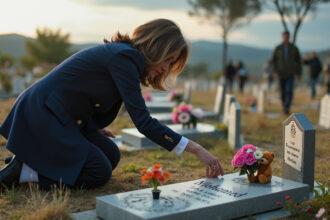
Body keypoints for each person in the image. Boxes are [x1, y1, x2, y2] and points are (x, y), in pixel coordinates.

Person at [0, 19, 224, 190]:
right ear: (157, 46)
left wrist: (93, 126)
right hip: (43, 115)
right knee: (99, 172)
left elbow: (81, 92)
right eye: (168, 59)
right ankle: (25, 170)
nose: (166, 69)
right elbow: (143, 122)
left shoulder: (125, 58)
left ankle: (37, 159)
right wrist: (196, 148)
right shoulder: (125, 58)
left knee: (111, 154)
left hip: (62, 117)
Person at [271, 31, 302, 115]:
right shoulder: (278, 48)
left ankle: (287, 107)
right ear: (282, 37)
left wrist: (299, 73)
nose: (286, 38)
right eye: (284, 36)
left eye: (287, 36)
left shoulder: (294, 48)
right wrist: (274, 71)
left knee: (289, 91)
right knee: (283, 91)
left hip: (290, 73)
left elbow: (298, 61)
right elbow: (273, 61)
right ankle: (284, 106)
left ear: (289, 37)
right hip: (280, 74)